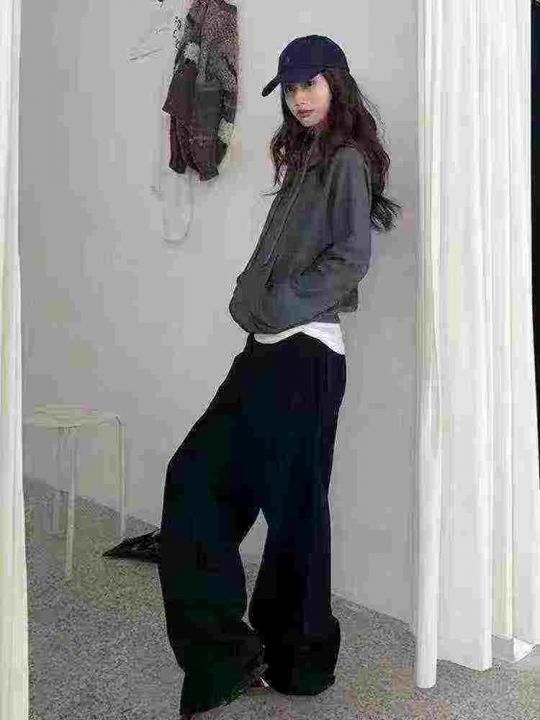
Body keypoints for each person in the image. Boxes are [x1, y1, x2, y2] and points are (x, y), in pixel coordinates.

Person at [157, 34, 402, 719]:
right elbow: (276, 256)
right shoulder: (303, 158)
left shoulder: (346, 161)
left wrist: (280, 303)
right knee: (195, 479)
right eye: (290, 88)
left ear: (335, 83)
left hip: (307, 354)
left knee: (295, 514)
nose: (299, 98)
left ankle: (300, 660)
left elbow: (350, 259)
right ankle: (225, 655)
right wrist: (250, 297)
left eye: (309, 84)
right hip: (266, 352)